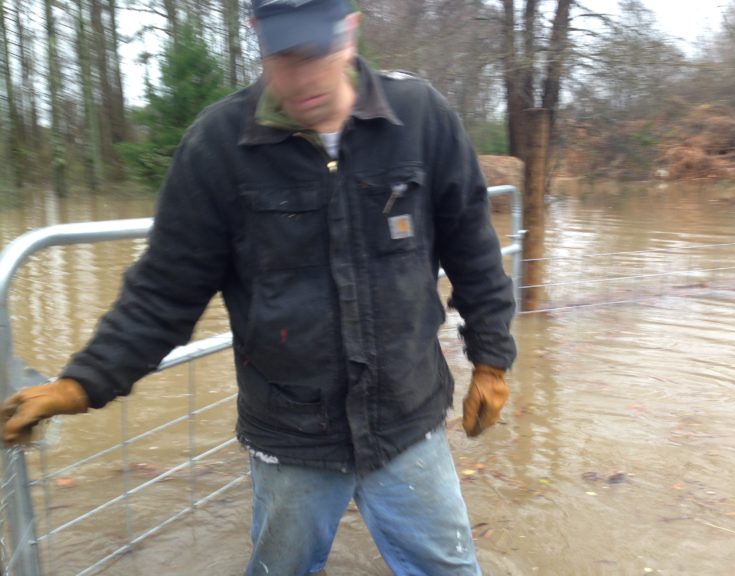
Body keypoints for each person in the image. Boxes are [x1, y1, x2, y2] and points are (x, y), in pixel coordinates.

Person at [1, 0, 516, 574]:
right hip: (291, 434)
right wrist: (82, 383)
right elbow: (163, 292)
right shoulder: (219, 146)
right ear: (258, 40)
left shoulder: (420, 118)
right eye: (283, 56)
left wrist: (491, 361)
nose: (302, 77)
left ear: (350, 31)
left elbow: (473, 248)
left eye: (316, 52)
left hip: (407, 420)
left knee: (448, 568)